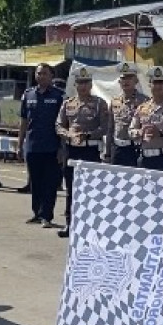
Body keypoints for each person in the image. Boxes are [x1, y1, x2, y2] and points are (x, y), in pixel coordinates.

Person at [57, 66, 111, 239]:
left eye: (86, 82)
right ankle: (69, 223)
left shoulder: (99, 103)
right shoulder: (68, 103)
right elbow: (59, 125)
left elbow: (105, 127)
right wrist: (68, 134)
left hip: (90, 150)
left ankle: (90, 225)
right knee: (71, 189)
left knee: (91, 190)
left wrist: (87, 135)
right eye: (80, 83)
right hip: (71, 150)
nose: (83, 86)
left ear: (91, 84)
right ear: (75, 84)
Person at [18, 63, 66, 228]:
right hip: (32, 145)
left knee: (50, 183)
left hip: (52, 146)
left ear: (51, 76)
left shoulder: (59, 96)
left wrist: (62, 147)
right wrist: (20, 144)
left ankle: (47, 215)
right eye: (39, 73)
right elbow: (23, 121)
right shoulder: (28, 94)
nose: (41, 76)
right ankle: (37, 213)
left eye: (45, 73)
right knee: (35, 182)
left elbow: (63, 124)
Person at [107, 62, 148, 167]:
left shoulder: (144, 101)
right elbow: (110, 128)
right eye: (123, 78)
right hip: (117, 148)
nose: (126, 81)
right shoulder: (114, 101)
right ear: (119, 82)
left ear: (136, 80)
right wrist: (107, 152)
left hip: (135, 149)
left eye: (130, 77)